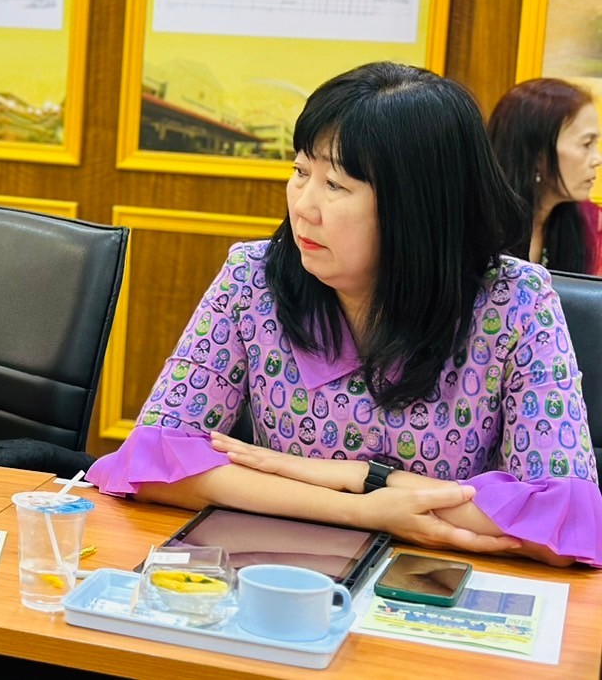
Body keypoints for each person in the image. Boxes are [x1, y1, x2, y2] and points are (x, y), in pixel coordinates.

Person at [88, 62, 601, 567]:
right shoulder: (253, 278)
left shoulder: (514, 301)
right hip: (282, 573)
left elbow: (566, 517)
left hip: (430, 585)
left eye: (335, 184)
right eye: (300, 172)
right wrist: (363, 509)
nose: (303, 206)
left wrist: (361, 477)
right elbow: (153, 461)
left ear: (416, 206)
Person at [487, 77, 602, 275]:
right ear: (537, 154)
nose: (597, 159)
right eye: (586, 144)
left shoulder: (590, 224)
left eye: (596, 144)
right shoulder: (480, 226)